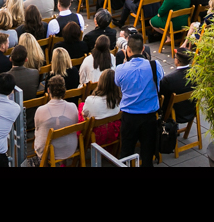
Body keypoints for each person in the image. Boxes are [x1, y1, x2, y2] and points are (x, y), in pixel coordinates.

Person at [115, 32, 164, 167]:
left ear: (127, 50)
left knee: (126, 152)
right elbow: (160, 81)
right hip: (149, 117)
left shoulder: (120, 69)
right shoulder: (155, 66)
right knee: (147, 156)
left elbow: (118, 84)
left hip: (129, 117)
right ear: (143, 49)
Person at [33, 75, 80, 165]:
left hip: (48, 152)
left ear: (48, 90)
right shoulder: (73, 107)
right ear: (64, 90)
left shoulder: (40, 110)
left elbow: (37, 128)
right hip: (69, 147)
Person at [82, 69, 122, 148]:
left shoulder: (91, 100)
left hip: (96, 137)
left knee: (82, 111)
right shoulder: (119, 100)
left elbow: (84, 115)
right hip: (112, 134)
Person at [159, 47, 195, 123]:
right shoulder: (196, 74)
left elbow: (161, 97)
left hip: (174, 114)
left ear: (177, 61)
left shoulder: (169, 79)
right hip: (192, 110)